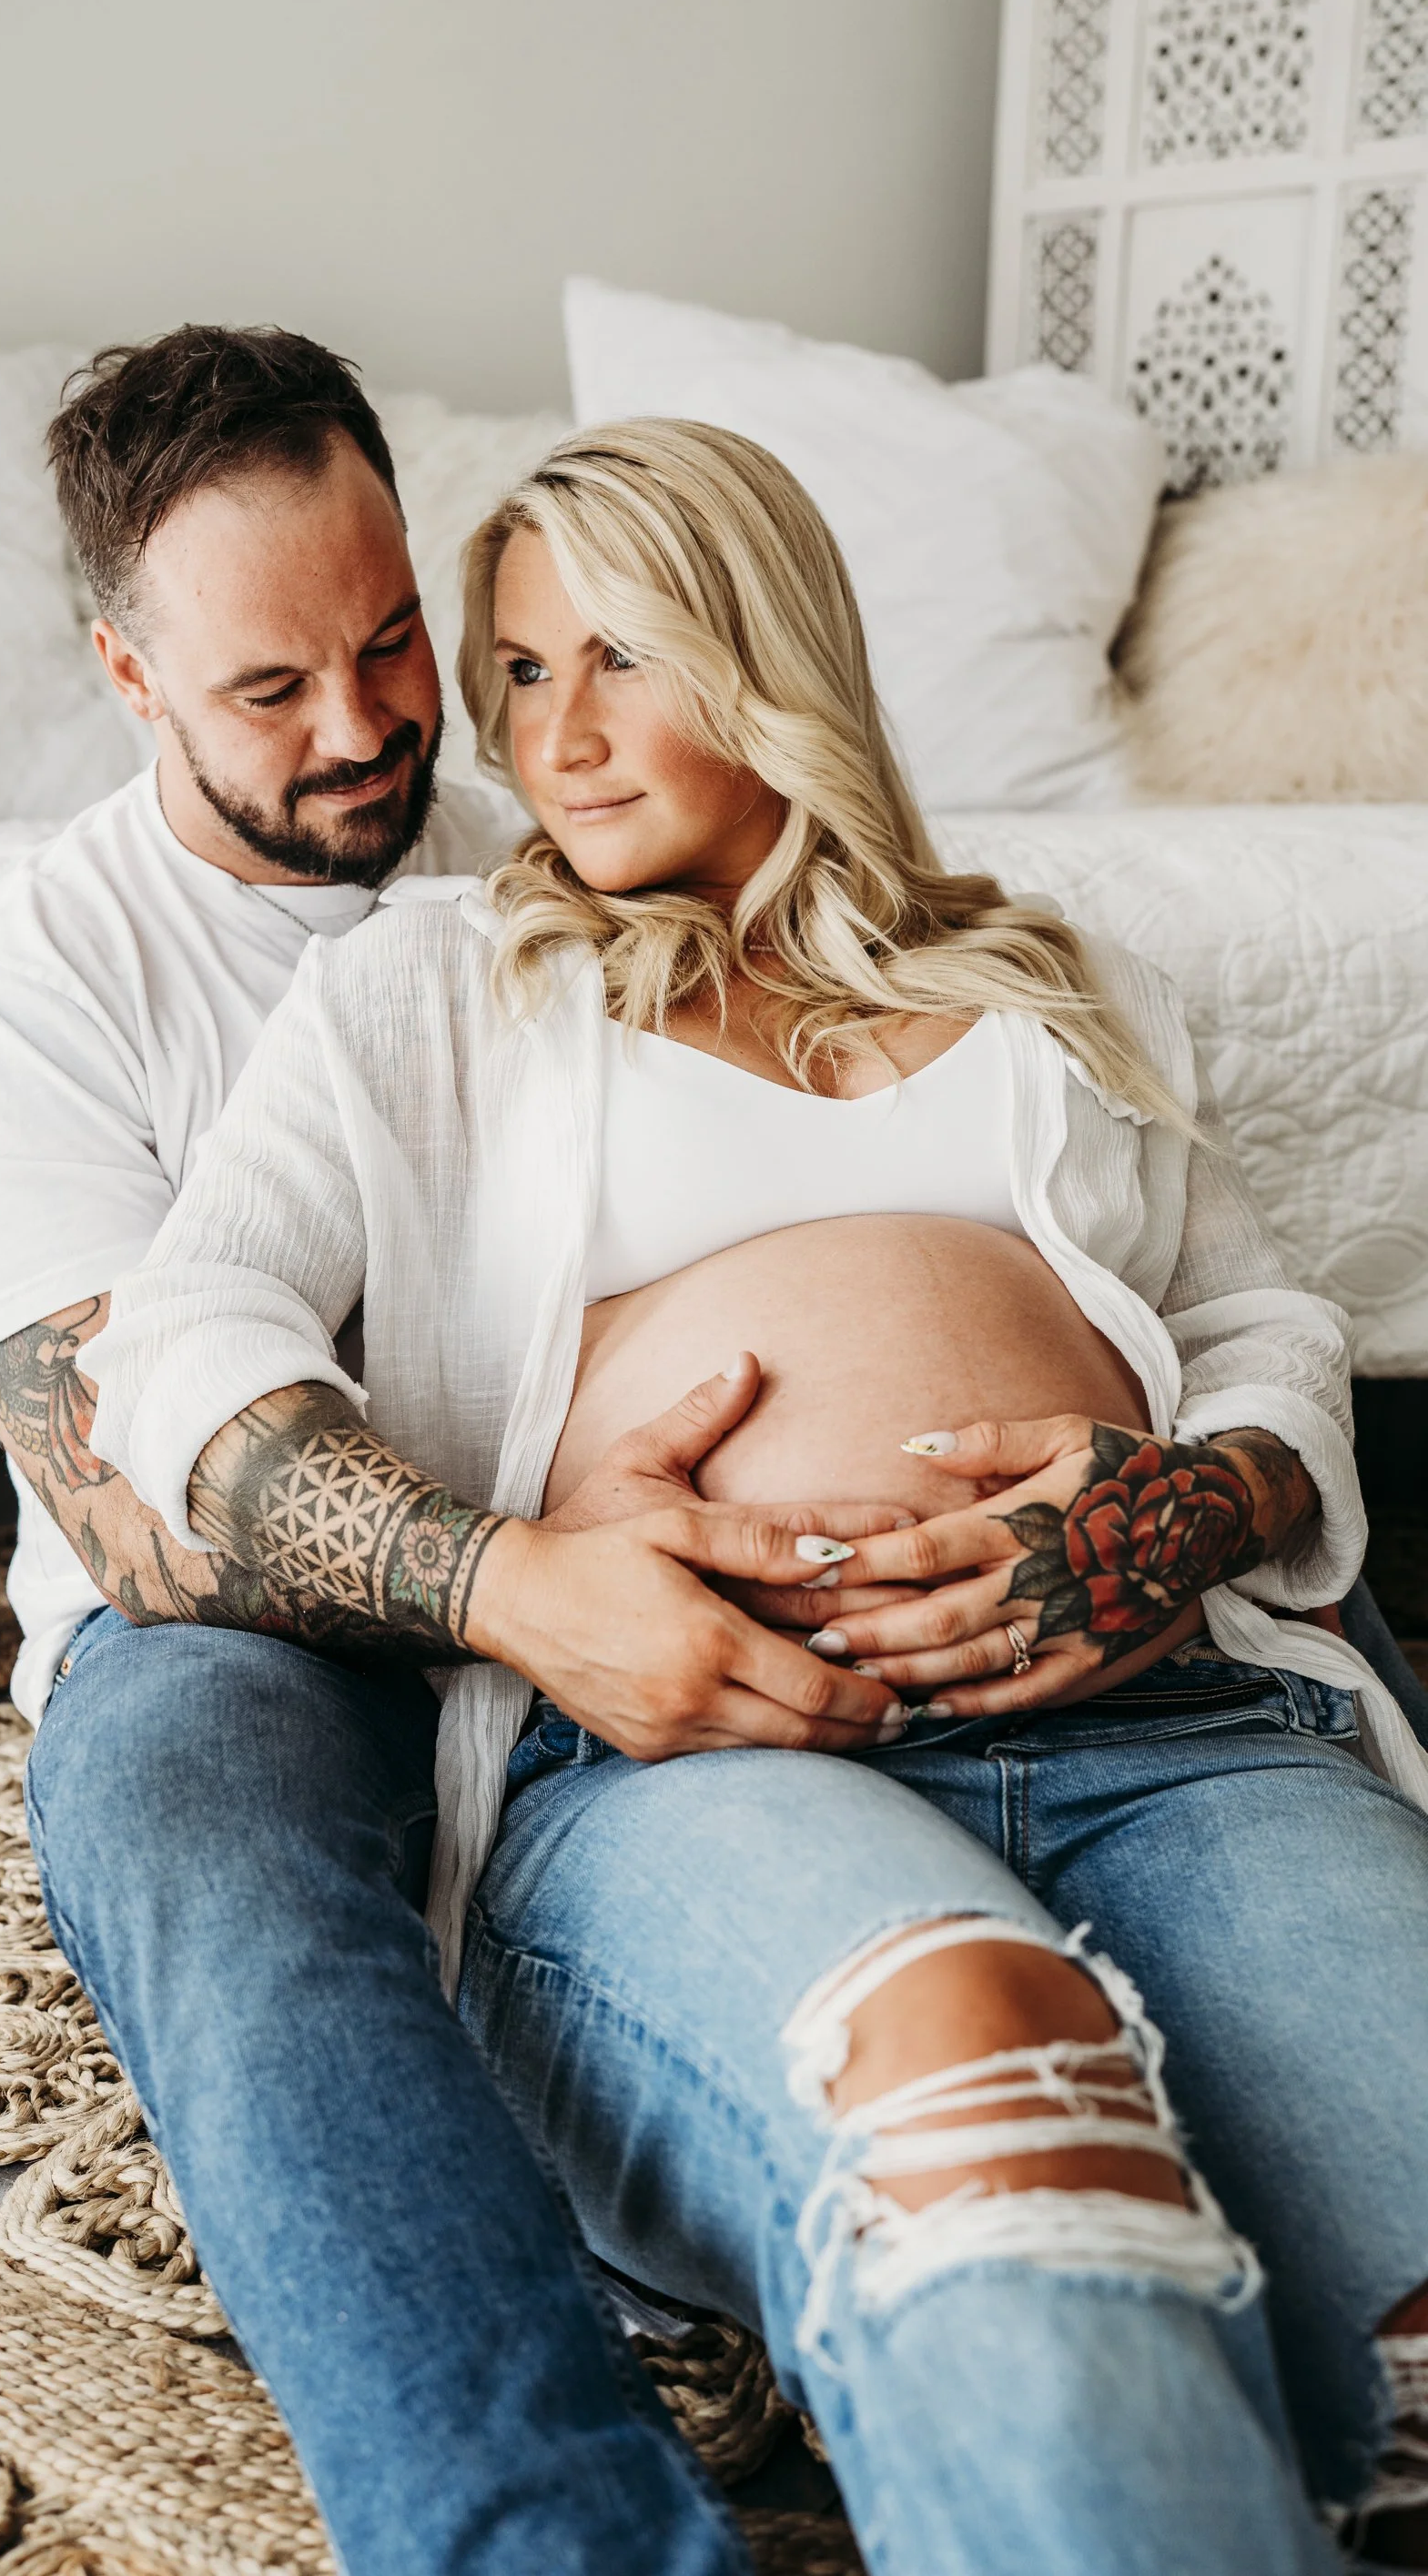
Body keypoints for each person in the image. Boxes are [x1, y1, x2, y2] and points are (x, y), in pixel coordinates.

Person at [88, 418, 1428, 2574]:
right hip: (704, 1767)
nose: (560, 735)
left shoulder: (1048, 983)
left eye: (625, 656)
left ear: (775, 651)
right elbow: (180, 1347)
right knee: (996, 2126)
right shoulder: (429, 991)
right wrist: (509, 1579)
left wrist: (1182, 1505)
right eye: (519, 673)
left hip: (1175, 1732)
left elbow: (1264, 1323)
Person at [0, 328, 919, 2576]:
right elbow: (139, 1516)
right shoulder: (23, 1001)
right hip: (241, 1647)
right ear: (128, 675)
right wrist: (516, 1576)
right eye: (272, 691)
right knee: (215, 1865)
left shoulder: (561, 830)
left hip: (646, 1539)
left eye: (389, 648)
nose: (368, 731)